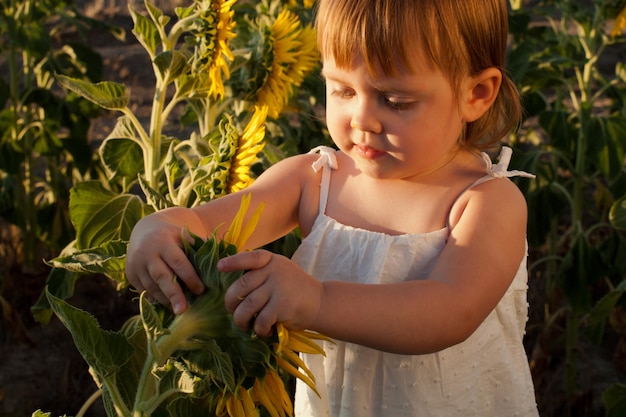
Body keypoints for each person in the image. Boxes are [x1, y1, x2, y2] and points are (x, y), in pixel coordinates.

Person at [126, 0, 539, 415]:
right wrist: (159, 229)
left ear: (476, 93)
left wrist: (319, 301)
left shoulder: (485, 202)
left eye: (395, 101)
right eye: (342, 90)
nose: (362, 119)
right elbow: (206, 224)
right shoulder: (314, 180)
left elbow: (451, 311)